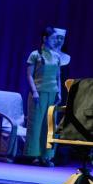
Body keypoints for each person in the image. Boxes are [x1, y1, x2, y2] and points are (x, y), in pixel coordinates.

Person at [24, 27, 70, 167]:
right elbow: (29, 75)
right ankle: (34, 155)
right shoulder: (35, 54)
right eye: (53, 38)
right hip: (39, 93)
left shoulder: (56, 56)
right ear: (45, 38)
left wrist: (59, 92)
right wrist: (34, 91)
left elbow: (58, 76)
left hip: (52, 94)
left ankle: (47, 156)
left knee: (49, 126)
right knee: (36, 124)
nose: (55, 41)